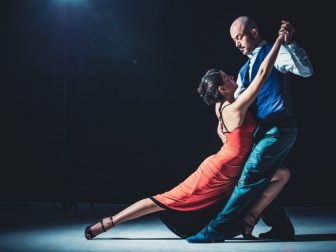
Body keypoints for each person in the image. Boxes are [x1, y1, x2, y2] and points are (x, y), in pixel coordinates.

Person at [84, 24, 287, 241]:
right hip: (218, 172)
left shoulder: (220, 106)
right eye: (226, 77)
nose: (231, 77)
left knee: (282, 174)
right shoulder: (235, 108)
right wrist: (278, 42)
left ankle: (250, 219)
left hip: (233, 166)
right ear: (221, 89)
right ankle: (109, 223)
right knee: (165, 199)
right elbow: (263, 74)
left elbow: (223, 132)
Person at [186, 17, 313, 243]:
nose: (236, 43)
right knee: (262, 176)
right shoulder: (244, 70)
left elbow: (306, 71)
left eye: (239, 37)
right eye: (233, 40)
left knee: (251, 175)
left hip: (280, 126)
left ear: (253, 33)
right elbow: (235, 100)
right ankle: (280, 226)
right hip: (263, 131)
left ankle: (217, 229)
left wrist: (290, 44)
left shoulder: (277, 53)